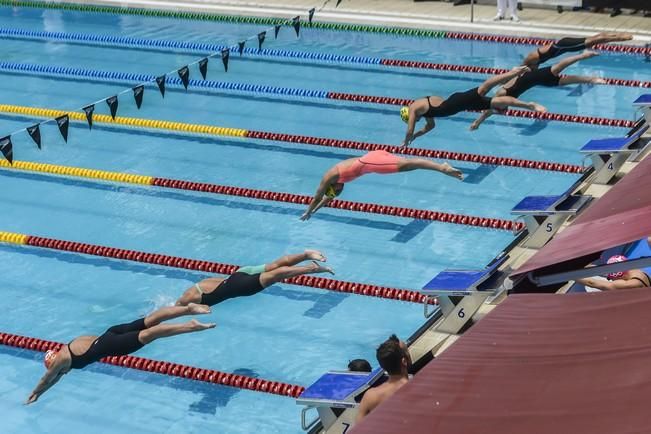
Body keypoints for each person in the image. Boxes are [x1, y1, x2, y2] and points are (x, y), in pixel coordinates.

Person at [26, 303, 215, 404]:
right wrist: (44, 392)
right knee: (150, 319)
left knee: (151, 334)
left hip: (112, 344)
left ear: (54, 364)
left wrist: (36, 393)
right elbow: (56, 378)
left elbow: (47, 378)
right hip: (111, 332)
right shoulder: (71, 345)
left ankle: (189, 326)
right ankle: (187, 309)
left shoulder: (61, 361)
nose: (62, 372)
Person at [399, 66, 546, 147]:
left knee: (484, 88)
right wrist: (416, 137)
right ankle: (529, 105)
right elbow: (429, 127)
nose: (417, 120)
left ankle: (514, 72)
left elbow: (409, 130)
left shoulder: (414, 109)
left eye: (415, 119)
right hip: (459, 104)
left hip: (457, 103)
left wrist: (406, 142)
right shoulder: (423, 110)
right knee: (496, 102)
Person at [299, 150, 463, 220]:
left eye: (336, 192)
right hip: (374, 156)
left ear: (332, 187)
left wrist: (308, 210)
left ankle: (441, 167)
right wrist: (314, 212)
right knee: (408, 165)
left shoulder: (330, 176)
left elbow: (318, 196)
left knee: (409, 165)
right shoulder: (337, 182)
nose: (340, 191)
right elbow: (327, 199)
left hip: (371, 162)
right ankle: (441, 167)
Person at [470, 50, 606, 130]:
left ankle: (583, 55)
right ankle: (591, 79)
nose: (506, 107)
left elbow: (489, 110)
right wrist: (478, 122)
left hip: (532, 76)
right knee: (562, 81)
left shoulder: (501, 95)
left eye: (503, 108)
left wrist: (531, 106)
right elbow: (489, 112)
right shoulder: (500, 102)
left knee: (558, 68)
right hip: (535, 80)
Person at [175, 250, 334, 306]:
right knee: (275, 265)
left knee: (277, 274)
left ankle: (311, 268)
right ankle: (306, 254)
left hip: (240, 286)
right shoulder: (200, 285)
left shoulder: (190, 299)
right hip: (239, 274)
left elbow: (178, 307)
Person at [355, 335, 411, 423]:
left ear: (382, 367)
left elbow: (358, 429)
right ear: (404, 361)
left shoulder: (371, 396)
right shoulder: (418, 388)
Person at [522, 32, 633, 69]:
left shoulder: (531, 58)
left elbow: (523, 70)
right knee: (594, 39)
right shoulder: (533, 60)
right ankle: (618, 35)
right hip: (562, 45)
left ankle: (620, 37)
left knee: (594, 40)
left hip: (563, 45)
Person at [577, 255, 651, 291]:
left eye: (611, 279)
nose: (611, 280)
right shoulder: (634, 270)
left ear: (619, 276)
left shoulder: (629, 284)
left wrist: (569, 275)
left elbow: (591, 283)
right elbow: (605, 271)